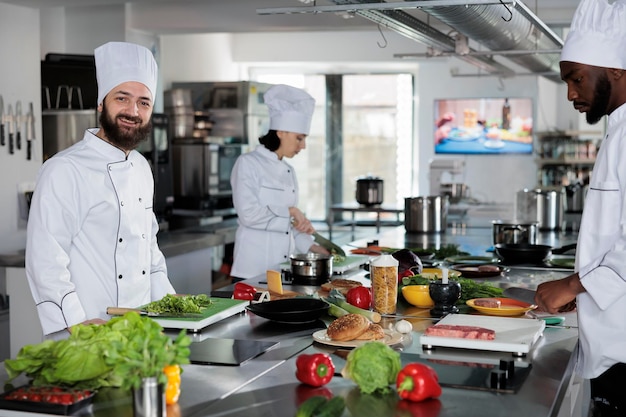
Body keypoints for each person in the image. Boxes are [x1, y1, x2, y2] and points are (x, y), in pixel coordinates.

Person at [25, 41, 176, 338]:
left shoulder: (142, 168)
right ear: (100, 104)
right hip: (86, 330)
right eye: (122, 98)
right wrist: (76, 322)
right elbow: (45, 258)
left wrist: (171, 309)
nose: (133, 111)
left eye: (143, 102)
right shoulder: (65, 169)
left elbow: (149, 252)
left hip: (142, 328)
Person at [534, 0, 626, 415]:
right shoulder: (617, 130)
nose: (571, 93)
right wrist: (584, 289)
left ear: (616, 71)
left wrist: (572, 286)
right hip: (612, 341)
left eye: (577, 79)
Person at [230, 84, 329, 279]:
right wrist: (292, 212)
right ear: (280, 132)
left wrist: (313, 246)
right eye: (299, 138)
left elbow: (288, 226)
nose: (304, 145)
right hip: (251, 271)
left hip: (282, 271)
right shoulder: (248, 163)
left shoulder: (289, 171)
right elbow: (248, 215)